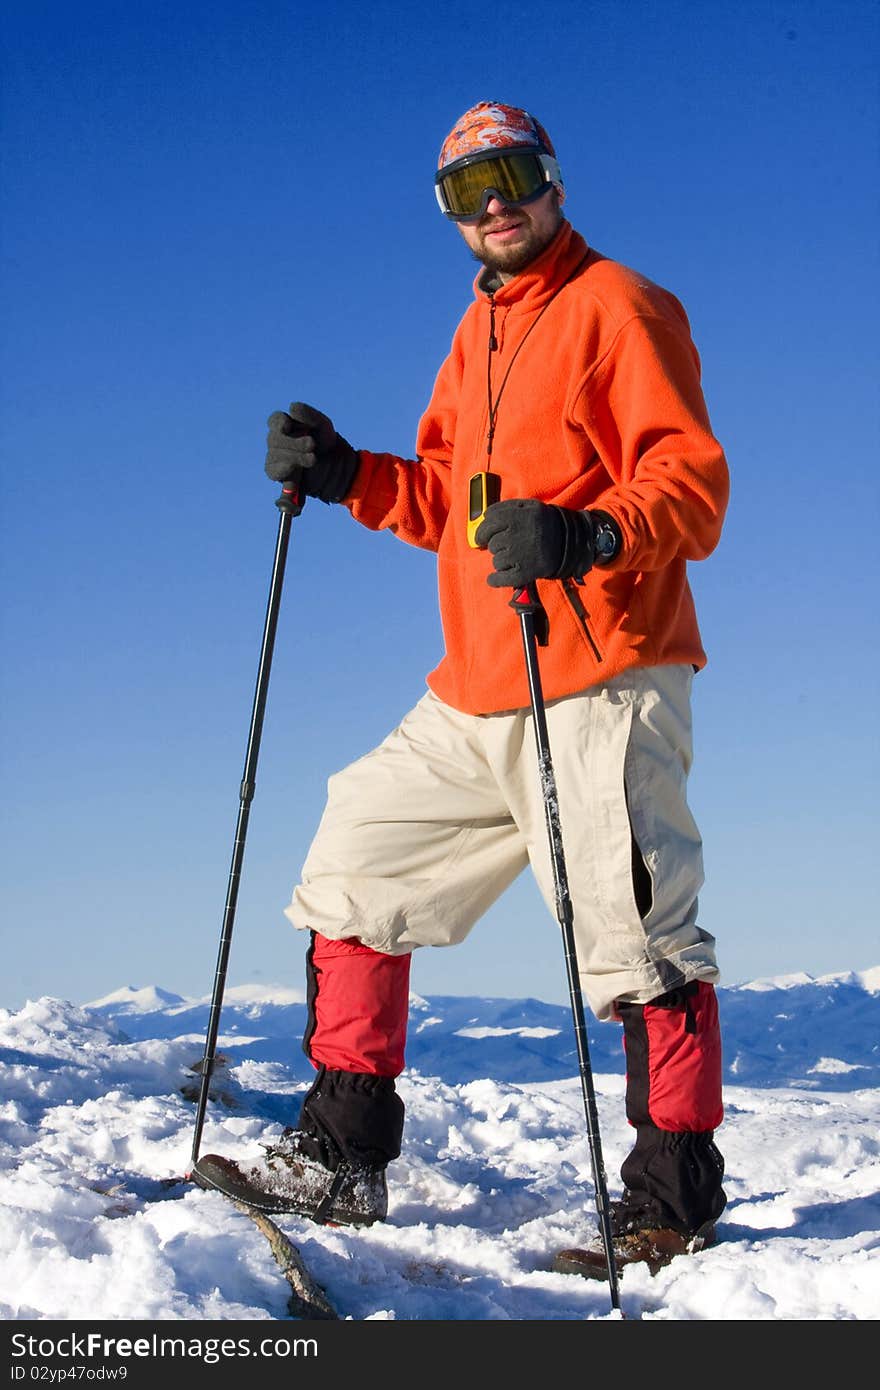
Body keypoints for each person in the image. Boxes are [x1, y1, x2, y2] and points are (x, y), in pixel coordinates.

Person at [192, 100, 730, 1279]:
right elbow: (449, 503)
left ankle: (669, 1198)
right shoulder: (475, 334)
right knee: (354, 860)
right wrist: (347, 475)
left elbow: (691, 486)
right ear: (448, 213)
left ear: (553, 180)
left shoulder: (620, 306)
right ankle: (341, 1151)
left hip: (596, 674)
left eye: (513, 174)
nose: (493, 202)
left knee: (636, 939)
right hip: (478, 684)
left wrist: (589, 533)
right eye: (464, 188)